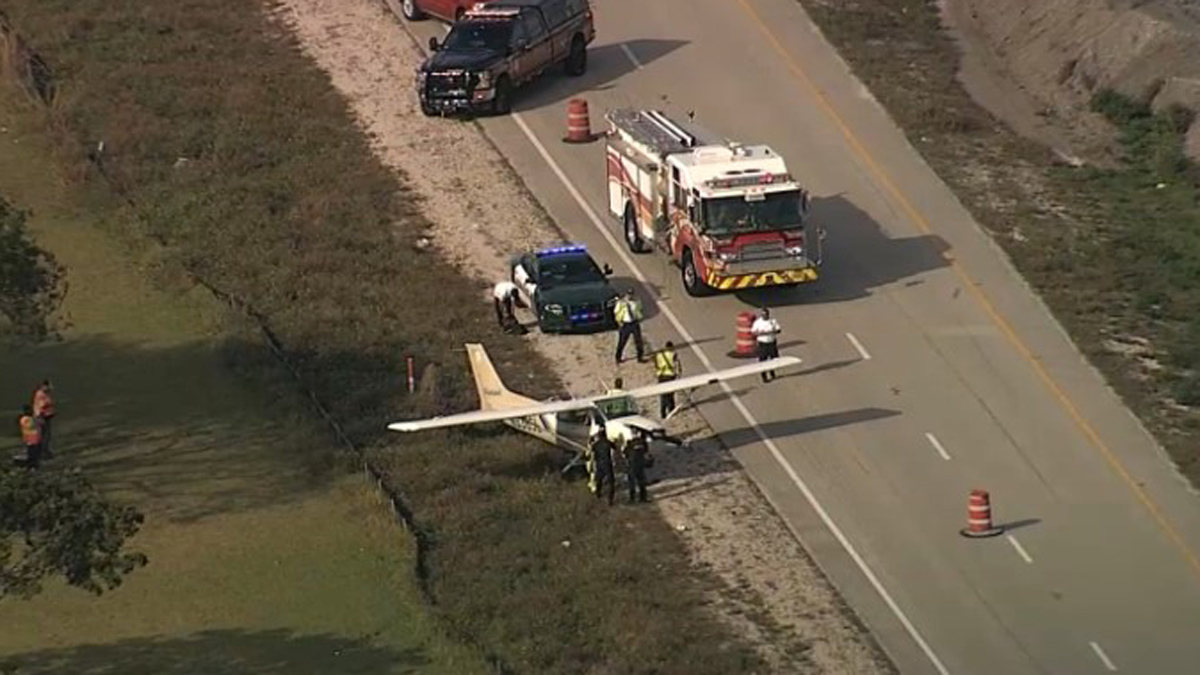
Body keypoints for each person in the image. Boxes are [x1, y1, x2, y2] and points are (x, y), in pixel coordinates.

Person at [613, 289, 645, 364]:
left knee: (639, 341)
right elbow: (616, 311)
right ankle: (618, 358)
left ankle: (640, 357)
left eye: (631, 294)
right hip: (625, 324)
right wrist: (619, 321)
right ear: (626, 294)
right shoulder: (621, 303)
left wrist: (639, 316)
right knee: (622, 342)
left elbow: (640, 309)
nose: (630, 296)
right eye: (629, 294)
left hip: (634, 323)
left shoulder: (637, 301)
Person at [587, 425, 616, 506]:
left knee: (598, 481)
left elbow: (590, 453)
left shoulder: (596, 444)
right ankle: (610, 499)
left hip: (599, 464)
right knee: (611, 482)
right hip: (608, 463)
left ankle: (598, 495)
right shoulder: (608, 442)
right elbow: (615, 447)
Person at [751, 307, 782, 382]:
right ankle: (764, 376)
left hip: (771, 342)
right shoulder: (758, 322)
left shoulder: (773, 321)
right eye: (763, 315)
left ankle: (772, 372)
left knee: (773, 359)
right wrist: (762, 333)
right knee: (763, 360)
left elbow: (778, 330)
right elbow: (753, 332)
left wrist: (772, 331)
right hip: (763, 343)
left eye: (766, 315)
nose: (765, 316)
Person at [654, 341, 681, 419]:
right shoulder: (673, 354)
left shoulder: (659, 355)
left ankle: (662, 412)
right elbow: (677, 366)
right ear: (671, 347)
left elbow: (656, 365)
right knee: (670, 394)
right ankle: (671, 410)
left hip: (661, 376)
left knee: (663, 394)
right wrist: (678, 375)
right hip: (670, 376)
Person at [623, 429, 650, 503]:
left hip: (632, 465)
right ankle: (643, 498)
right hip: (640, 464)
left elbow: (625, 453)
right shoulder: (643, 442)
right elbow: (646, 452)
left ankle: (632, 499)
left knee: (632, 482)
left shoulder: (629, 443)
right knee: (641, 481)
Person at [32, 380, 55, 458]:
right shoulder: (41, 394)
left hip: (46, 416)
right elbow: (42, 405)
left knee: (46, 435)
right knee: (44, 435)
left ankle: (44, 450)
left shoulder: (45, 394)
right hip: (42, 417)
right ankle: (42, 452)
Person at [17, 405, 43, 470]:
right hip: (31, 439)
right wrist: (36, 420)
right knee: (32, 453)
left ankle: (33, 464)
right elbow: (31, 425)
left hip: (34, 438)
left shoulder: (27, 419)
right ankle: (32, 465)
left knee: (34, 452)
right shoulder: (26, 419)